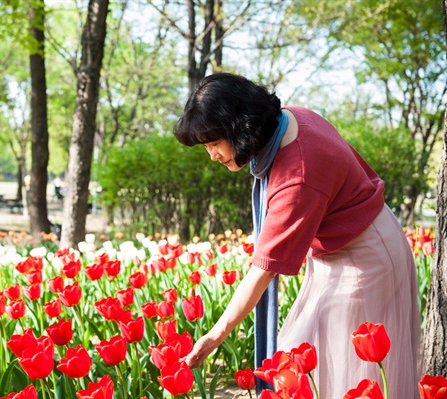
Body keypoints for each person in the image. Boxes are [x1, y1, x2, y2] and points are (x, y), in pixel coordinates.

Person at [174, 73, 420, 397]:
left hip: (365, 260)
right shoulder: (290, 118)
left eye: (214, 144)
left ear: (240, 129)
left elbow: (263, 270)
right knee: (304, 362)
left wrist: (214, 336)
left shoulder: (297, 177)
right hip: (346, 246)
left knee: (346, 374)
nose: (213, 156)